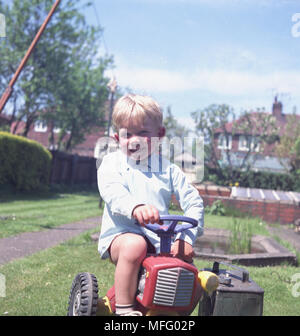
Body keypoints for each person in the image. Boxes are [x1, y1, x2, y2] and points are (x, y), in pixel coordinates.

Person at [97, 93, 204, 316]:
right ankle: (124, 311)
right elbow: (112, 192)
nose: (134, 140)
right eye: (128, 134)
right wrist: (135, 207)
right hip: (121, 235)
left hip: (160, 240)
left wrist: (185, 237)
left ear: (160, 135)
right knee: (136, 245)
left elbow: (194, 202)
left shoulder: (169, 170)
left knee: (186, 265)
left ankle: (175, 312)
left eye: (143, 133)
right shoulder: (111, 164)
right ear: (117, 138)